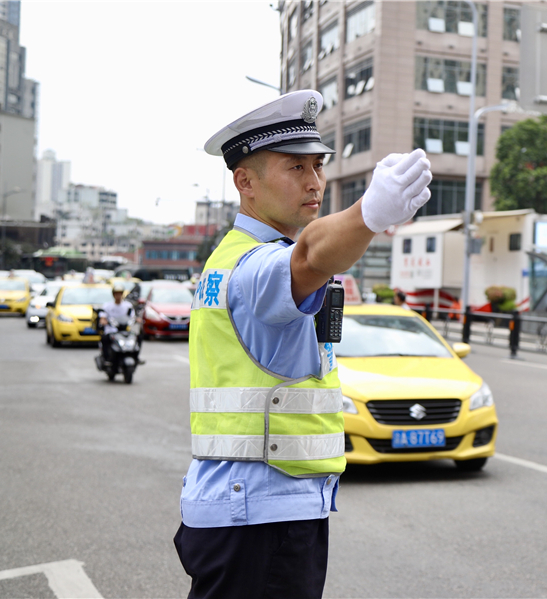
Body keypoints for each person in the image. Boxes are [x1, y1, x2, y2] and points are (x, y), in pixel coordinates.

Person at [173, 90, 432, 599]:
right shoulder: (255, 266)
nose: (315, 183)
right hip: (261, 514)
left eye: (317, 166)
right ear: (245, 182)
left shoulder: (235, 257)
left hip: (251, 507)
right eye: (296, 167)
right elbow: (312, 257)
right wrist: (368, 214)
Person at [98, 284, 137, 364]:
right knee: (104, 338)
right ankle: (107, 359)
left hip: (124, 330)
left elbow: (132, 317)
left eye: (120, 293)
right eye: (116, 294)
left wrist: (137, 320)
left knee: (137, 337)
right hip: (111, 330)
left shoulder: (128, 306)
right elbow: (102, 318)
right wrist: (103, 321)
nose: (118, 296)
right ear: (113, 295)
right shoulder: (107, 306)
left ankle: (136, 357)